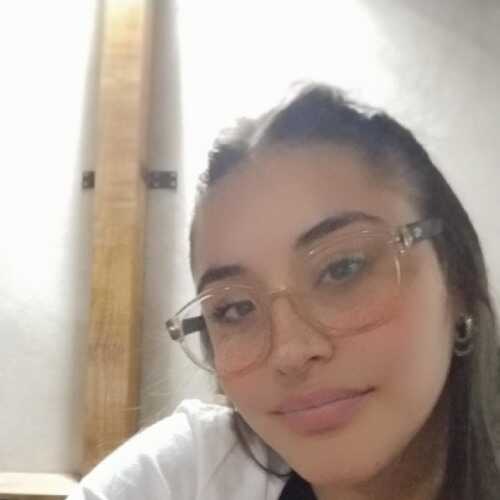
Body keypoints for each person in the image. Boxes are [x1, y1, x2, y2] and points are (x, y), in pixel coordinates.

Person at [68, 83, 500, 500]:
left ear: (455, 276)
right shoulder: (185, 477)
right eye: (235, 309)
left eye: (342, 269)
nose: (290, 352)